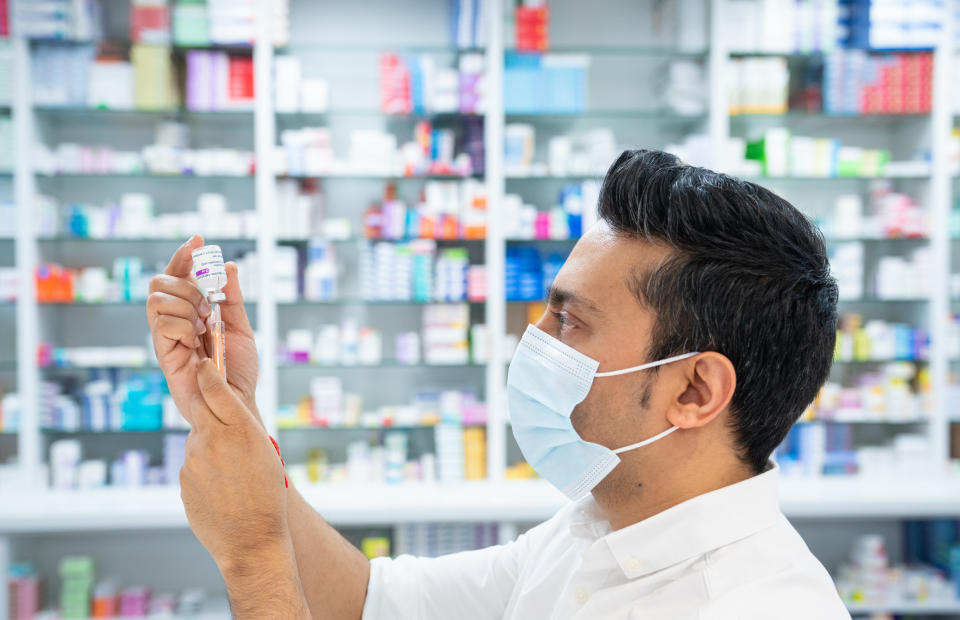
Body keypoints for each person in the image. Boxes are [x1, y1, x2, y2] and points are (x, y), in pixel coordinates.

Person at [146, 149, 850, 619]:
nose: (531, 340)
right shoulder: (599, 529)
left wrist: (254, 556)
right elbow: (367, 603)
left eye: (570, 323)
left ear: (695, 392)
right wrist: (233, 416)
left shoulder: (755, 605)